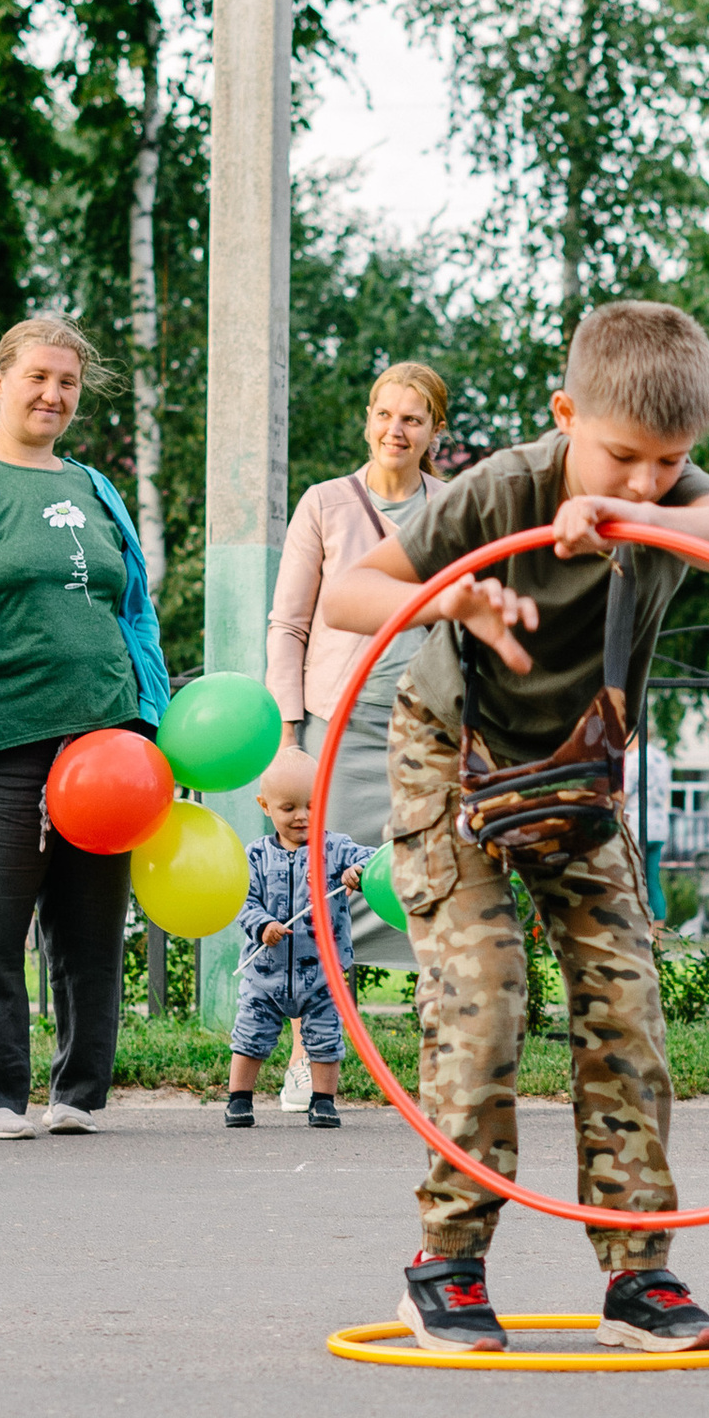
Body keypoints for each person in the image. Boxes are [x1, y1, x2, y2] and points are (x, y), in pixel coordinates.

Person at [322, 299, 709, 1355]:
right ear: (566, 415)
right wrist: (453, 601)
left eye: (671, 461)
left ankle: (638, 1273)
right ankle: (447, 1262)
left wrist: (629, 515)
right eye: (622, 458)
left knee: (626, 1001)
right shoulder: (502, 488)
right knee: (486, 999)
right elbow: (348, 595)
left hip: (577, 772)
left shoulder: (668, 494)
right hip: (454, 761)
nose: (650, 479)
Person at [0, 314, 166, 1140]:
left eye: (68, 383)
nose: (53, 394)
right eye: (38, 377)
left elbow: (135, 608)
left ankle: (80, 1094)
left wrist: (146, 717)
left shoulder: (95, 486)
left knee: (90, 934)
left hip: (105, 743)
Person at [265, 360, 447, 1105]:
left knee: (434, 885)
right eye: (383, 414)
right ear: (367, 420)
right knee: (320, 897)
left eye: (411, 418)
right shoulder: (324, 504)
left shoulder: (455, 505)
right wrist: (288, 735)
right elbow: (290, 623)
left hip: (428, 724)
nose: (394, 430)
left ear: (435, 431)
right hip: (339, 724)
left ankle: (445, 1060)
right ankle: (311, 1059)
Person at [225, 741, 370, 1129]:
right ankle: (239, 1099)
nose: (303, 816)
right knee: (251, 1035)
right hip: (265, 977)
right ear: (265, 806)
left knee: (324, 1038)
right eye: (289, 808)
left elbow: (373, 859)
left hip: (323, 975)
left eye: (312, 804)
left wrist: (359, 872)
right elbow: (241, 900)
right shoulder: (255, 857)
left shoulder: (335, 848)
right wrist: (261, 925)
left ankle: (323, 1100)